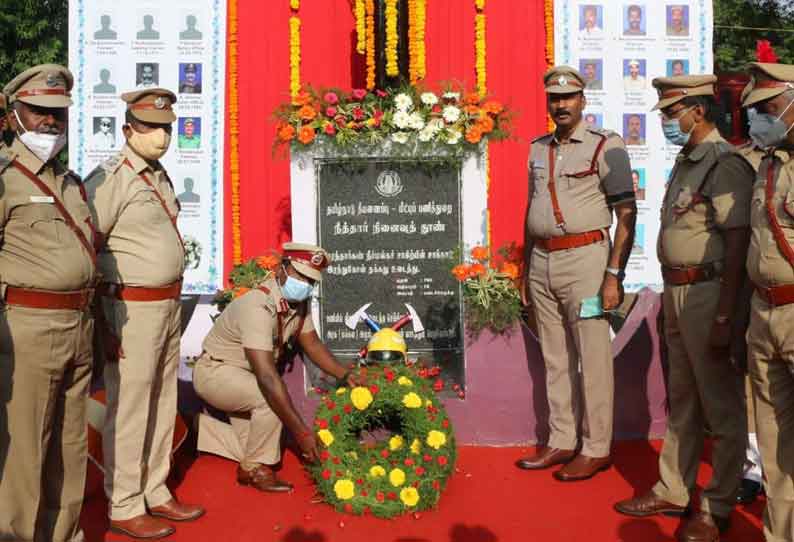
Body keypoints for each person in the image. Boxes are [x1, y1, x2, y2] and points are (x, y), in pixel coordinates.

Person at [615, 75, 754, 542]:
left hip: (708, 294)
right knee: (683, 399)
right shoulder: (688, 159)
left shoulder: (723, 162)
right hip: (678, 293)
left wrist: (725, 316)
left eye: (673, 113)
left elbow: (737, 244)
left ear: (697, 110)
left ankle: (716, 507)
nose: (667, 122)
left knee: (721, 404)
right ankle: (674, 488)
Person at [85, 88, 204, 539]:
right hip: (129, 309)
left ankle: (155, 488)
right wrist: (102, 323)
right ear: (128, 129)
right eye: (152, 127)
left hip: (167, 305)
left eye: (167, 127)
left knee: (161, 400)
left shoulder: (158, 175)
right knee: (131, 407)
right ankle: (124, 502)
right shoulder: (110, 179)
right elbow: (89, 249)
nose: (162, 136)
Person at [516, 66, 636, 482]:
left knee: (593, 357)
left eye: (568, 97)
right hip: (542, 263)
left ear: (583, 101)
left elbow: (626, 213)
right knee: (554, 357)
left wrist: (612, 275)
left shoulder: (606, 145)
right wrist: (524, 269)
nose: (561, 104)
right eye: (554, 98)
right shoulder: (537, 148)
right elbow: (531, 212)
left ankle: (596, 446)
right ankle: (562, 439)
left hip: (586, 261)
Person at [0, 64, 96, 542]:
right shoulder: (5, 179)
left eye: (57, 113)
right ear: (13, 113)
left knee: (70, 446)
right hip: (26, 329)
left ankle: (63, 536)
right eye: (39, 111)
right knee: (24, 453)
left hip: (79, 324)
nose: (49, 122)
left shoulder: (71, 182)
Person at [193, 243, 361, 490]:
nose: (305, 284)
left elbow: (311, 343)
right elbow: (268, 379)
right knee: (269, 400)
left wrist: (345, 375)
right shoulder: (258, 306)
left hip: (243, 378)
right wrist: (303, 434)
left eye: (311, 280)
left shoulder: (296, 303)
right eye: (300, 276)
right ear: (282, 269)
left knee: (253, 445)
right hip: (216, 373)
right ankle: (255, 470)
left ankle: (198, 428)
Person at [740, 61, 794, 542]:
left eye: (771, 108)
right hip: (764, 313)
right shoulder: (768, 164)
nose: (761, 120)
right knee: (776, 444)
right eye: (756, 111)